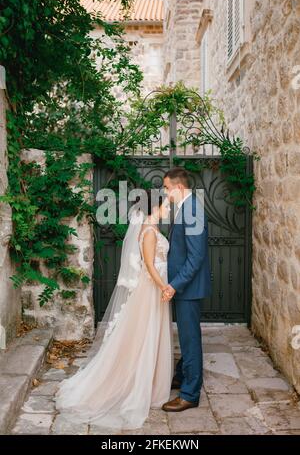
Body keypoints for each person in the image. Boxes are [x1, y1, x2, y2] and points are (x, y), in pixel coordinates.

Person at [54, 191, 174, 430]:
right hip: (151, 289)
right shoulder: (149, 231)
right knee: (143, 336)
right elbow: (149, 265)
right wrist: (164, 287)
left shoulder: (151, 227)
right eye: (167, 206)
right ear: (155, 207)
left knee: (147, 335)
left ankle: (148, 384)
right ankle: (134, 385)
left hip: (154, 288)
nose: (169, 210)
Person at [161, 167, 211, 412]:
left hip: (188, 288)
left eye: (167, 189)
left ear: (179, 187)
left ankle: (190, 394)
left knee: (190, 340)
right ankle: (182, 375)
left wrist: (174, 285)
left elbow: (196, 257)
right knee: (186, 336)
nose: (165, 193)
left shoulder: (191, 211)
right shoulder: (185, 208)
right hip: (185, 287)